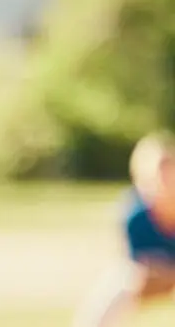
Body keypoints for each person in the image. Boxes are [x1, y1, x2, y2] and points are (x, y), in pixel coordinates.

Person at [73, 134, 175, 326]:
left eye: (168, 171)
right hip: (146, 281)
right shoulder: (135, 215)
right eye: (155, 174)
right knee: (117, 286)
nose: (163, 181)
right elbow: (139, 269)